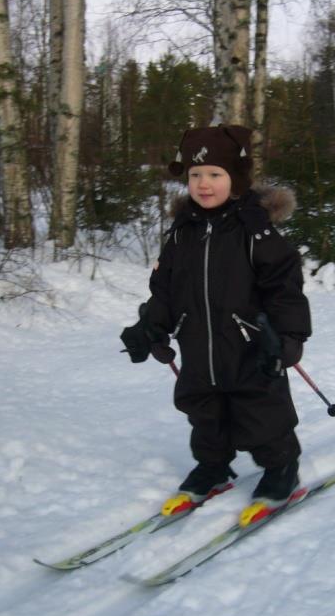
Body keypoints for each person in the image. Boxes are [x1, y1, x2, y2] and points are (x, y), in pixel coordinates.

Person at [120, 124, 312, 523]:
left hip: (252, 345)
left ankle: (282, 470)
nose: (203, 184)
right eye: (195, 175)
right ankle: (213, 466)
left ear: (235, 178)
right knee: (204, 411)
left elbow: (284, 287)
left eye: (215, 175)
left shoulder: (254, 229)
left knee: (262, 411)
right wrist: (151, 327)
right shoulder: (182, 232)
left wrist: (290, 335)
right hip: (197, 344)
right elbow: (167, 290)